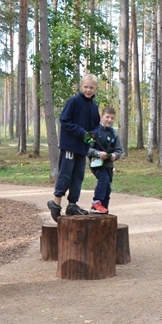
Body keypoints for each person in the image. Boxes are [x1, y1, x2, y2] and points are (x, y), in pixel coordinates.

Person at [47, 74, 100, 221]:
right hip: (69, 145)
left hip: (82, 148)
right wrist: (82, 132)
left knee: (78, 176)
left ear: (96, 89)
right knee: (66, 174)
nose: (88, 90)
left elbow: (97, 125)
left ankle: (72, 204)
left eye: (91, 88)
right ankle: (55, 203)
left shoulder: (94, 107)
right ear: (81, 86)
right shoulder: (74, 101)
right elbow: (64, 119)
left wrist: (93, 134)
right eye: (86, 87)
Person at [87, 106, 124, 214]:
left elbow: (119, 150)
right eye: (107, 117)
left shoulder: (114, 133)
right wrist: (98, 154)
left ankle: (103, 209)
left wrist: (114, 156)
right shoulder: (93, 131)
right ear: (101, 117)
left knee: (107, 187)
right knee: (104, 179)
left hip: (109, 164)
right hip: (96, 163)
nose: (109, 120)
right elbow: (86, 149)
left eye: (112, 118)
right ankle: (96, 203)